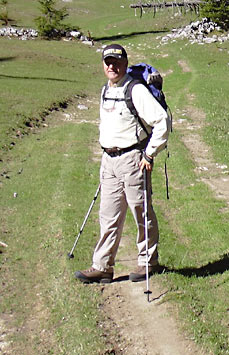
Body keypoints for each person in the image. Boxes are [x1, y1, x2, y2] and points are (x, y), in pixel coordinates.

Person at [75, 44, 170, 283]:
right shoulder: (105, 91)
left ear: (126, 64)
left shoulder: (135, 90)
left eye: (116, 62)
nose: (112, 66)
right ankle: (102, 266)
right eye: (108, 62)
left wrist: (149, 154)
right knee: (108, 215)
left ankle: (148, 261)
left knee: (142, 211)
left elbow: (162, 121)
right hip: (109, 160)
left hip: (133, 160)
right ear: (103, 65)